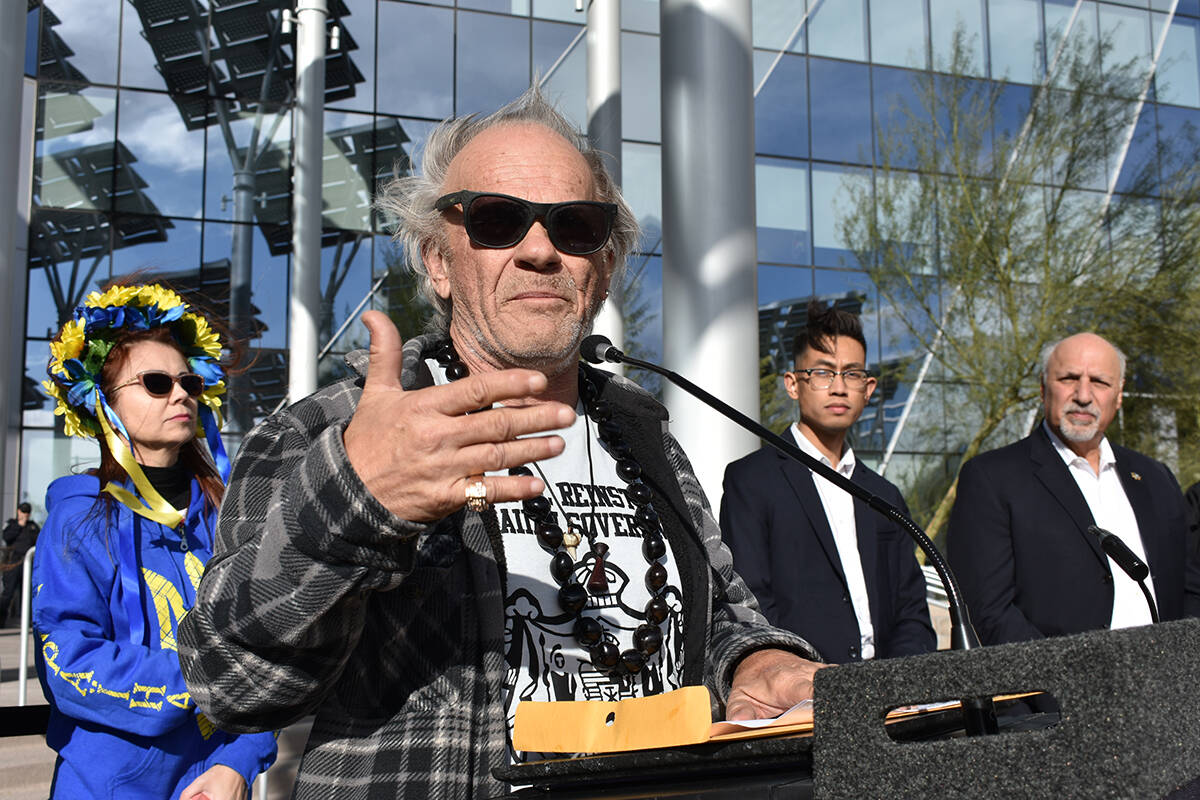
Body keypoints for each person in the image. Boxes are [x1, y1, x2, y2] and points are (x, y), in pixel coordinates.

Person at [177, 87, 824, 799]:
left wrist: (756, 663)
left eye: (575, 225)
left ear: (602, 268)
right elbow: (229, 683)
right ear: (439, 262)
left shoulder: (648, 437)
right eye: (497, 220)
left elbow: (722, 619)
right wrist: (353, 509)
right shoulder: (329, 432)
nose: (539, 250)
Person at [34, 283, 277, 799]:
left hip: (219, 782)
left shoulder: (226, 514)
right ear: (104, 403)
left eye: (188, 380)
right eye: (156, 382)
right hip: (107, 787)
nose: (181, 393)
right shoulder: (77, 520)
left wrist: (238, 762)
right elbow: (69, 661)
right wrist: (204, 672)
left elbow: (270, 652)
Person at [947, 332, 1200, 645]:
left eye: (1099, 382)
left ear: (1118, 395)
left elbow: (1190, 589)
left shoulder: (1156, 477)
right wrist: (1065, 687)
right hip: (1055, 689)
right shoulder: (992, 478)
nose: (1083, 395)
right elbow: (989, 610)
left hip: (1162, 685)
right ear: (1043, 388)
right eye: (1069, 378)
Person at [720, 301, 935, 662]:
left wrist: (899, 679)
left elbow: (911, 606)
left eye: (851, 374)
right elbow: (750, 598)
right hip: (801, 691)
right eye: (822, 373)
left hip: (892, 691)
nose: (838, 388)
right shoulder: (752, 480)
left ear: (868, 389)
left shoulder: (885, 496)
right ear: (793, 384)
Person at [0, 501, 40, 625]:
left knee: (28, 593)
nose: (26, 514)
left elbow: (38, 541)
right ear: (18, 511)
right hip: (13, 562)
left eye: (28, 512)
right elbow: (6, 538)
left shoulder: (33, 526)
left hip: (28, 563)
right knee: (8, 592)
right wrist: (19, 525)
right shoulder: (11, 524)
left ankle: (27, 622)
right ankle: (1, 620)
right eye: (23, 511)